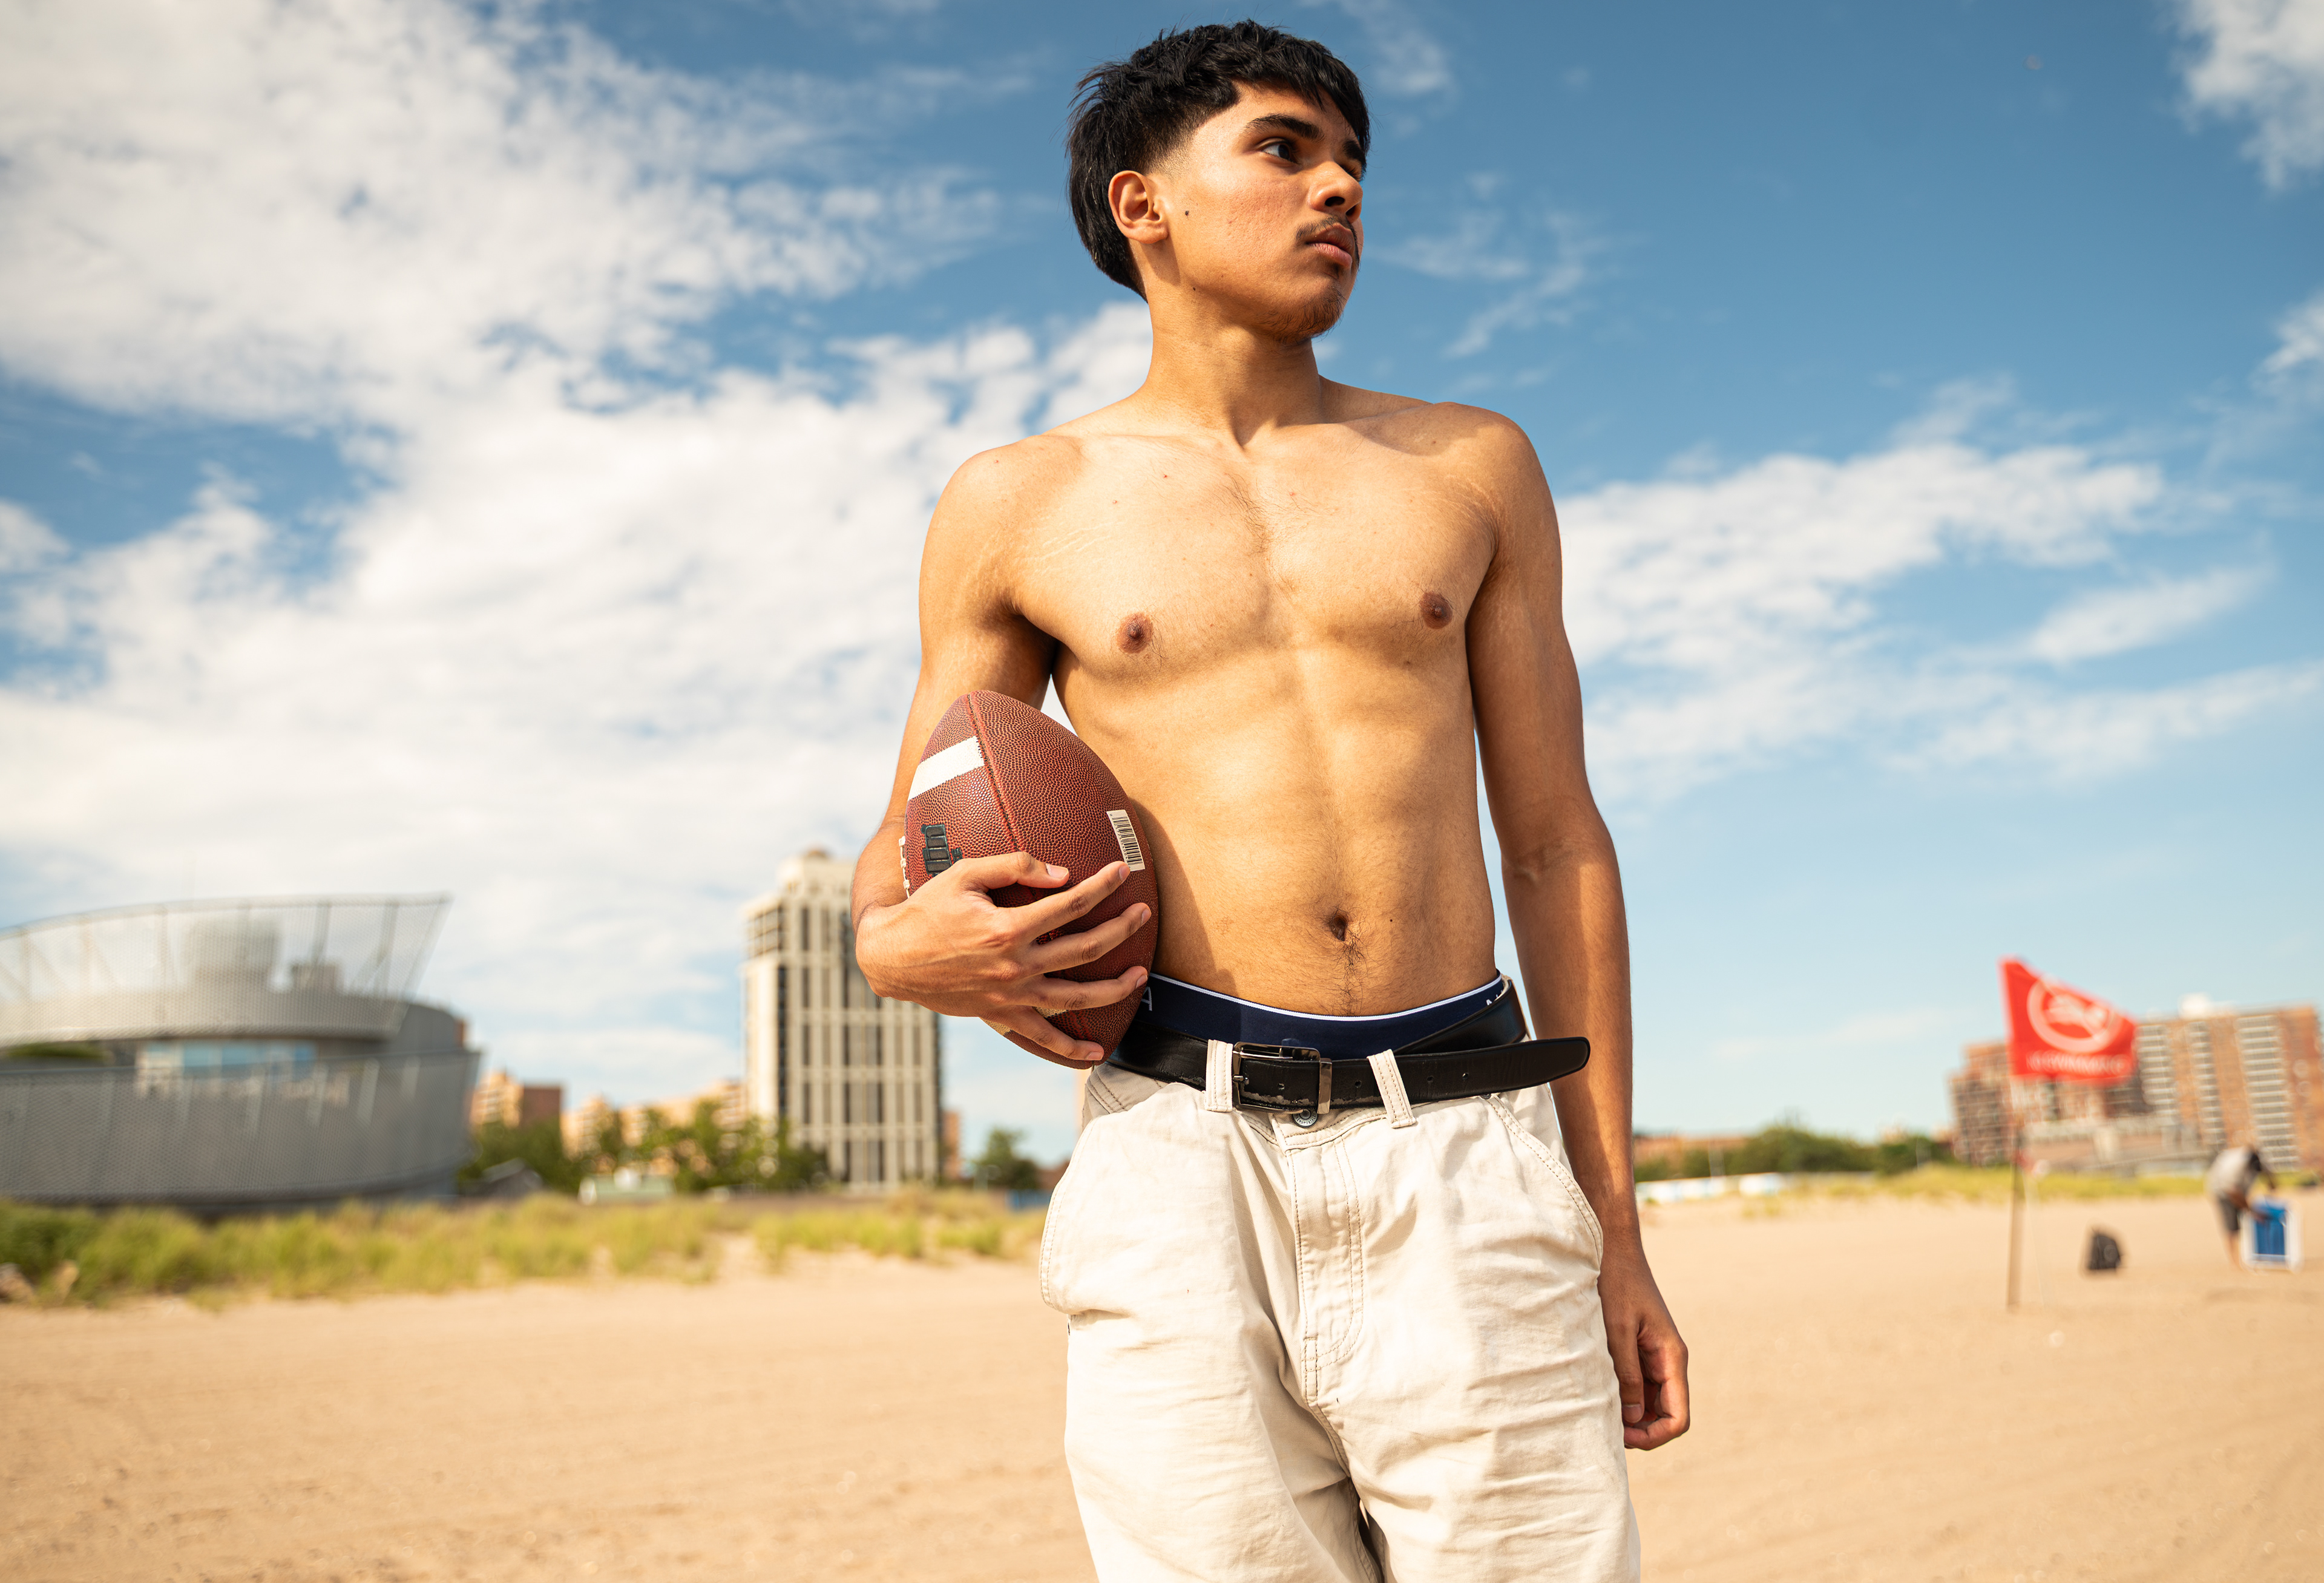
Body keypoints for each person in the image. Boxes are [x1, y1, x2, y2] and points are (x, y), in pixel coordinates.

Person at [850, 22, 1686, 1581]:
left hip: (1466, 1136)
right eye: (1284, 149)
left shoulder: (1469, 466)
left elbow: (1558, 835)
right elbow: (902, 861)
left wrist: (1613, 1219)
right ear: (1140, 204)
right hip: (1177, 1158)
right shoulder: (1016, 502)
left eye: (1353, 162)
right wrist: (899, 952)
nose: (1340, 190)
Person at [2205, 1142, 2279, 1267]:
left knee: (2247, 1223)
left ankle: (2252, 1255)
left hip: (2238, 1189)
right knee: (2232, 1227)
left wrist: (2271, 1188)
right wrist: (2249, 1209)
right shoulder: (2234, 1166)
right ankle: (2235, 1261)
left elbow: (2270, 1179)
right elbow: (2231, 1191)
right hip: (2222, 1191)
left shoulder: (2258, 1161)